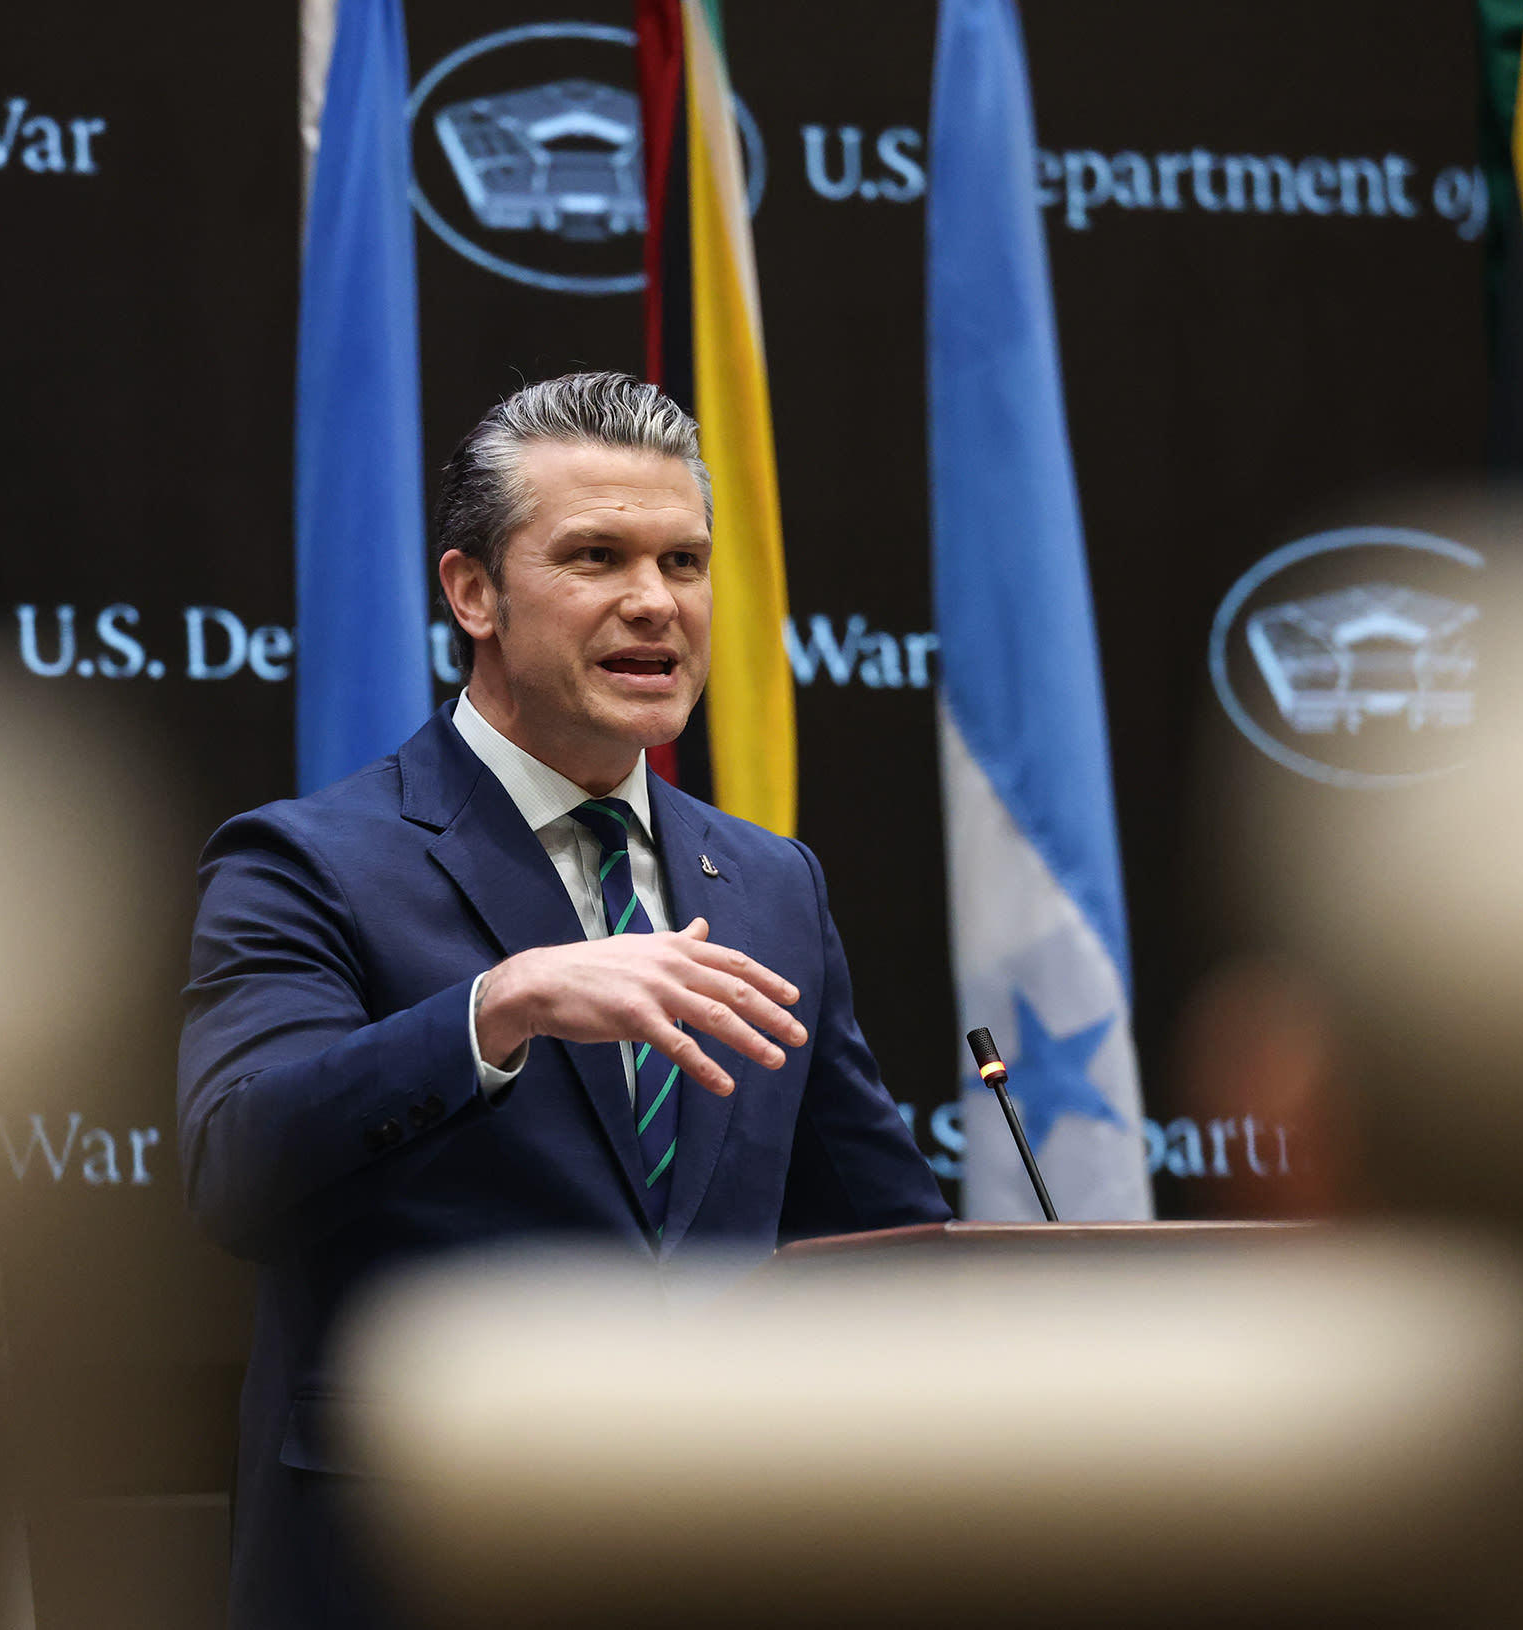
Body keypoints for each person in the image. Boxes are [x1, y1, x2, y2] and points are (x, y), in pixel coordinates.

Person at [177, 372, 950, 1629]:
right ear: (472, 592)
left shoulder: (769, 883)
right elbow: (237, 1162)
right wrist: (494, 1007)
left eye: (684, 562)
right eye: (597, 556)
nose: (655, 601)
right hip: (421, 1554)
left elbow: (879, 1232)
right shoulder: (307, 863)